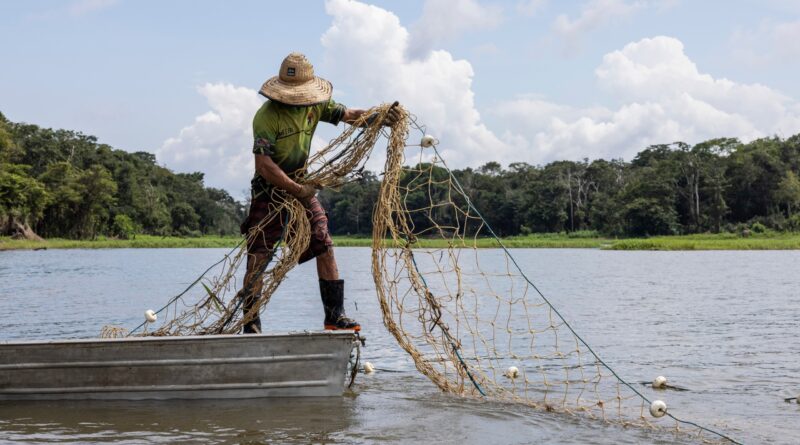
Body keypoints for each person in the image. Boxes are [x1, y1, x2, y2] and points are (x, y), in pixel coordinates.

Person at [238, 52, 400, 334]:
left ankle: (334, 317)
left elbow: (350, 115)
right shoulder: (266, 117)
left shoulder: (316, 106)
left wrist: (380, 116)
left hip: (302, 187)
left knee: (324, 246)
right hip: (269, 192)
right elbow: (264, 165)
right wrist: (299, 190)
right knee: (259, 255)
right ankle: (250, 322)